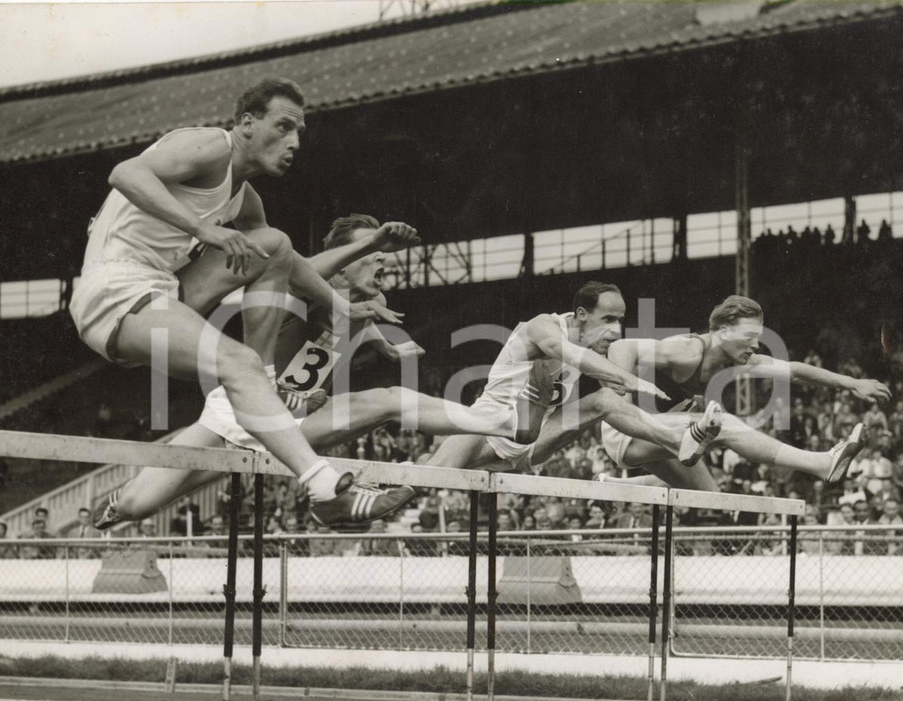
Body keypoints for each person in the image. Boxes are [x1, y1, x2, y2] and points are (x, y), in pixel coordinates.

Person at [77, 78, 415, 532]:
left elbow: (289, 264)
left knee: (274, 243)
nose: (294, 142)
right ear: (247, 123)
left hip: (165, 290)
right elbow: (125, 173)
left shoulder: (243, 196)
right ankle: (325, 489)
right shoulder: (208, 146)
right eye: (283, 127)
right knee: (237, 362)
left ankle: (261, 381)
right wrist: (204, 231)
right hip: (114, 291)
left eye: (299, 132)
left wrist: (343, 305)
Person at [92, 213, 555, 531]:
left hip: (290, 424)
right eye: (372, 257)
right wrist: (368, 252)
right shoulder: (307, 290)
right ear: (345, 261)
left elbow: (325, 352)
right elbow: (297, 269)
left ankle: (505, 422)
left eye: (384, 259)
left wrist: (356, 352)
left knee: (389, 398)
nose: (383, 264)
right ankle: (115, 504)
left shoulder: (359, 309)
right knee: (141, 504)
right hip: (236, 415)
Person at [422, 282, 722, 476]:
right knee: (427, 478)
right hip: (487, 429)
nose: (617, 330)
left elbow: (620, 408)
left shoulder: (593, 348)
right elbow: (567, 353)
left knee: (604, 401)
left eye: (621, 320)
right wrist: (624, 377)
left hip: (531, 444)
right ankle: (392, 484)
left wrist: (678, 410)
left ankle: (677, 440)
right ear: (581, 314)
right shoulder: (542, 327)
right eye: (608, 320)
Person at [600, 295, 890, 490]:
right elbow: (620, 347)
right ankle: (822, 463)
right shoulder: (688, 351)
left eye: (759, 339)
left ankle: (614, 487)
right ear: (724, 331)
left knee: (713, 500)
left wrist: (851, 383)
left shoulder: (740, 360)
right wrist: (621, 404)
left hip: (665, 434)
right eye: (749, 337)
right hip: (628, 431)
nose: (755, 346)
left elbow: (795, 371)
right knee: (722, 423)